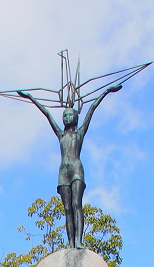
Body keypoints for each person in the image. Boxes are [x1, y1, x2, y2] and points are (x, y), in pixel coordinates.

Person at [17, 83, 121, 248]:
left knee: (76, 204)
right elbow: (47, 114)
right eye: (64, 115)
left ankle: (79, 240)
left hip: (76, 170)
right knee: (66, 209)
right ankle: (71, 243)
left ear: (75, 117)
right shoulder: (60, 135)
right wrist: (31, 98)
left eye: (69, 115)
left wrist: (107, 91)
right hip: (63, 173)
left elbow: (92, 108)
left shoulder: (79, 133)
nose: (66, 117)